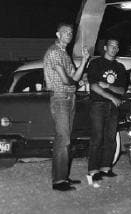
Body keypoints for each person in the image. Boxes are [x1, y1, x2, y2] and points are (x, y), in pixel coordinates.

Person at [43, 22, 90, 191]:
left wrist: (85, 60)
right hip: (61, 98)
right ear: (58, 34)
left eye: (71, 33)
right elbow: (68, 80)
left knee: (66, 139)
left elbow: (76, 77)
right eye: (66, 32)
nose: (69, 35)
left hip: (70, 98)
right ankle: (58, 182)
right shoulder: (54, 52)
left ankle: (63, 177)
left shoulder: (65, 54)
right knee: (63, 139)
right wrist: (75, 80)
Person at [86, 38, 127, 183]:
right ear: (105, 47)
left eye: (117, 47)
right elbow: (94, 86)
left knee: (110, 138)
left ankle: (105, 167)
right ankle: (93, 170)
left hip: (113, 107)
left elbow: (121, 90)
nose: (114, 49)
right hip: (98, 104)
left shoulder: (120, 67)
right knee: (97, 137)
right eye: (111, 46)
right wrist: (111, 97)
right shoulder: (95, 63)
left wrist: (108, 87)